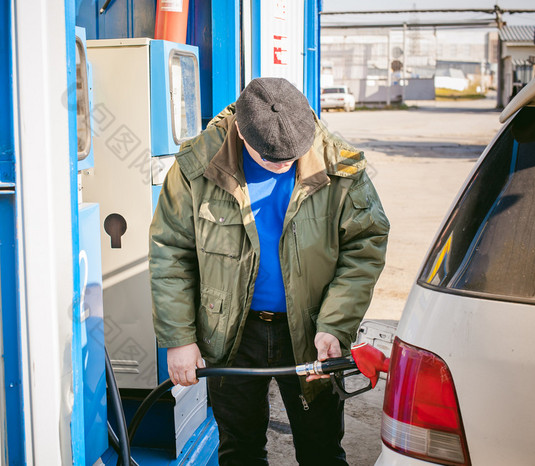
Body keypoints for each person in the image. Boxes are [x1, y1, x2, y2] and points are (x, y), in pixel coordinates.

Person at [149, 77, 389, 465]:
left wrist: (334, 325)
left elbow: (365, 246)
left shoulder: (339, 163)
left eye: (291, 158)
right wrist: (179, 337)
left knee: (322, 449)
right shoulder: (197, 164)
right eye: (271, 159)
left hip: (312, 331)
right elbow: (170, 250)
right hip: (231, 334)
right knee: (239, 450)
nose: (282, 166)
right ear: (242, 132)